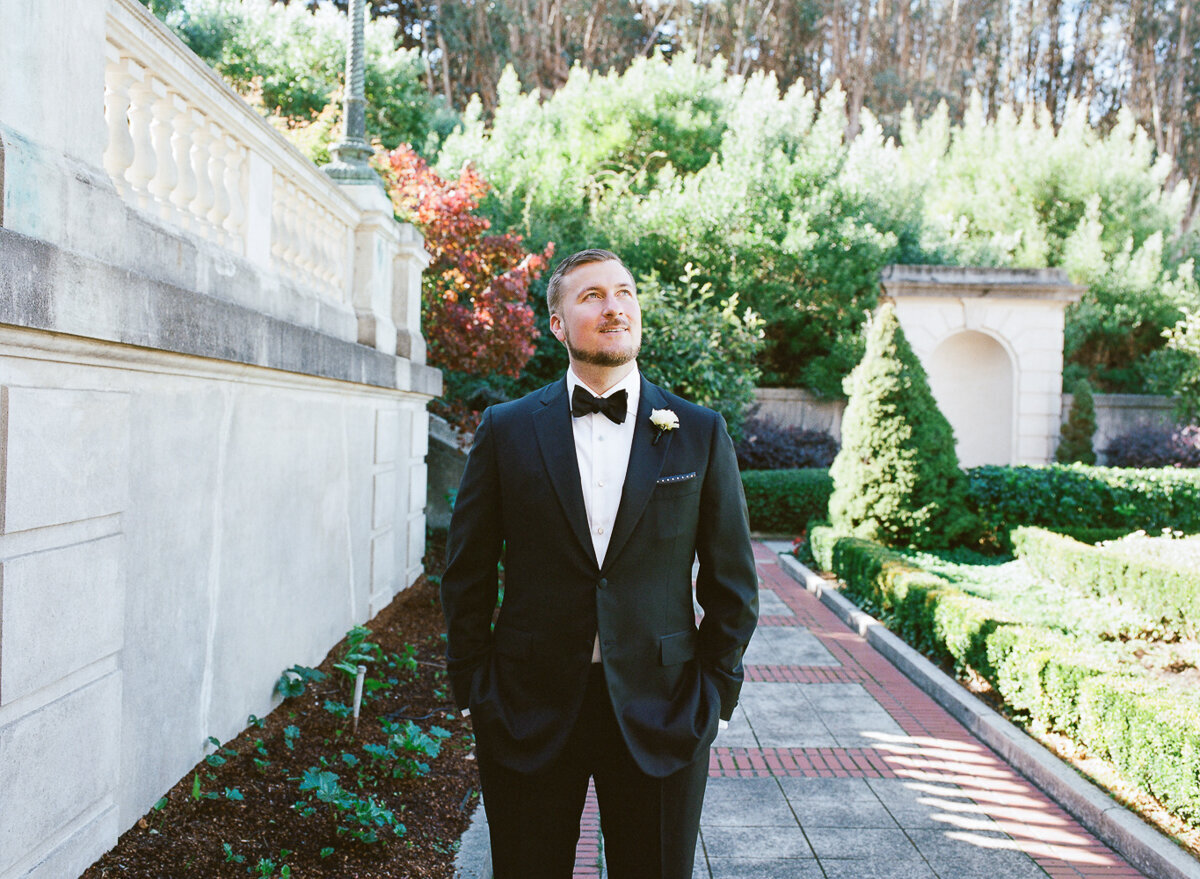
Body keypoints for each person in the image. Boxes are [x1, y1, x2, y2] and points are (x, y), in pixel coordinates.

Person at [440, 248, 758, 879]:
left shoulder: (697, 431)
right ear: (557, 324)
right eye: (591, 296)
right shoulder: (506, 430)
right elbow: (467, 571)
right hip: (526, 707)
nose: (615, 307)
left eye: (625, 293)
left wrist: (712, 694)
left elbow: (733, 582)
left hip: (663, 710)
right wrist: (477, 689)